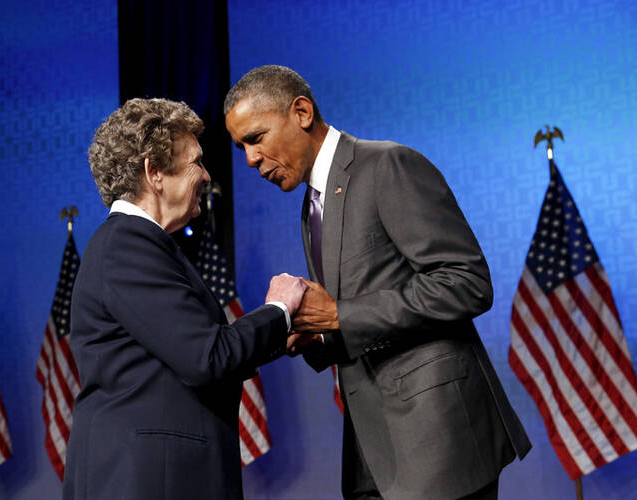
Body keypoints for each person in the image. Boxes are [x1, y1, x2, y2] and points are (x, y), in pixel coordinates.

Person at [224, 66, 532, 500]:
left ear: (302, 112)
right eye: (242, 148)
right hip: (375, 448)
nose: (251, 160)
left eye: (256, 138)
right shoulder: (312, 203)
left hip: (439, 445)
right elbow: (362, 310)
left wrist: (339, 316)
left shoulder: (387, 165)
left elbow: (467, 282)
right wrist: (323, 336)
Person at [63, 97, 306, 500]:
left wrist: (281, 335)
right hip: (148, 482)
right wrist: (280, 308)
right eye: (196, 162)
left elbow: (185, 351)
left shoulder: (144, 246)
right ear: (154, 172)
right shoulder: (127, 245)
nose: (207, 175)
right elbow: (207, 356)